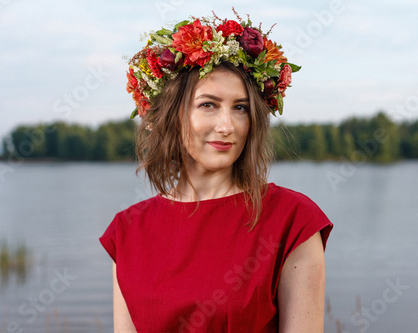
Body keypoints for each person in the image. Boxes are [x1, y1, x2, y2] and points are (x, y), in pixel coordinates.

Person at [100, 11, 333, 332]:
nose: (227, 126)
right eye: (208, 104)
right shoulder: (128, 232)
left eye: (240, 107)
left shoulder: (293, 221)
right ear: (170, 115)